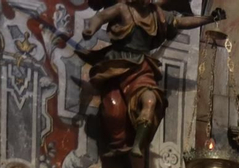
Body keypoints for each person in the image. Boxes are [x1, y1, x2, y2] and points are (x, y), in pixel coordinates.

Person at [82, 0, 226, 158]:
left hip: (141, 67)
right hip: (117, 65)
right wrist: (90, 28)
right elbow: (101, 17)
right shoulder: (122, 8)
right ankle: (119, 146)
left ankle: (138, 145)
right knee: (113, 110)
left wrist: (209, 19)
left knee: (150, 101)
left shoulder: (156, 14)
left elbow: (182, 22)